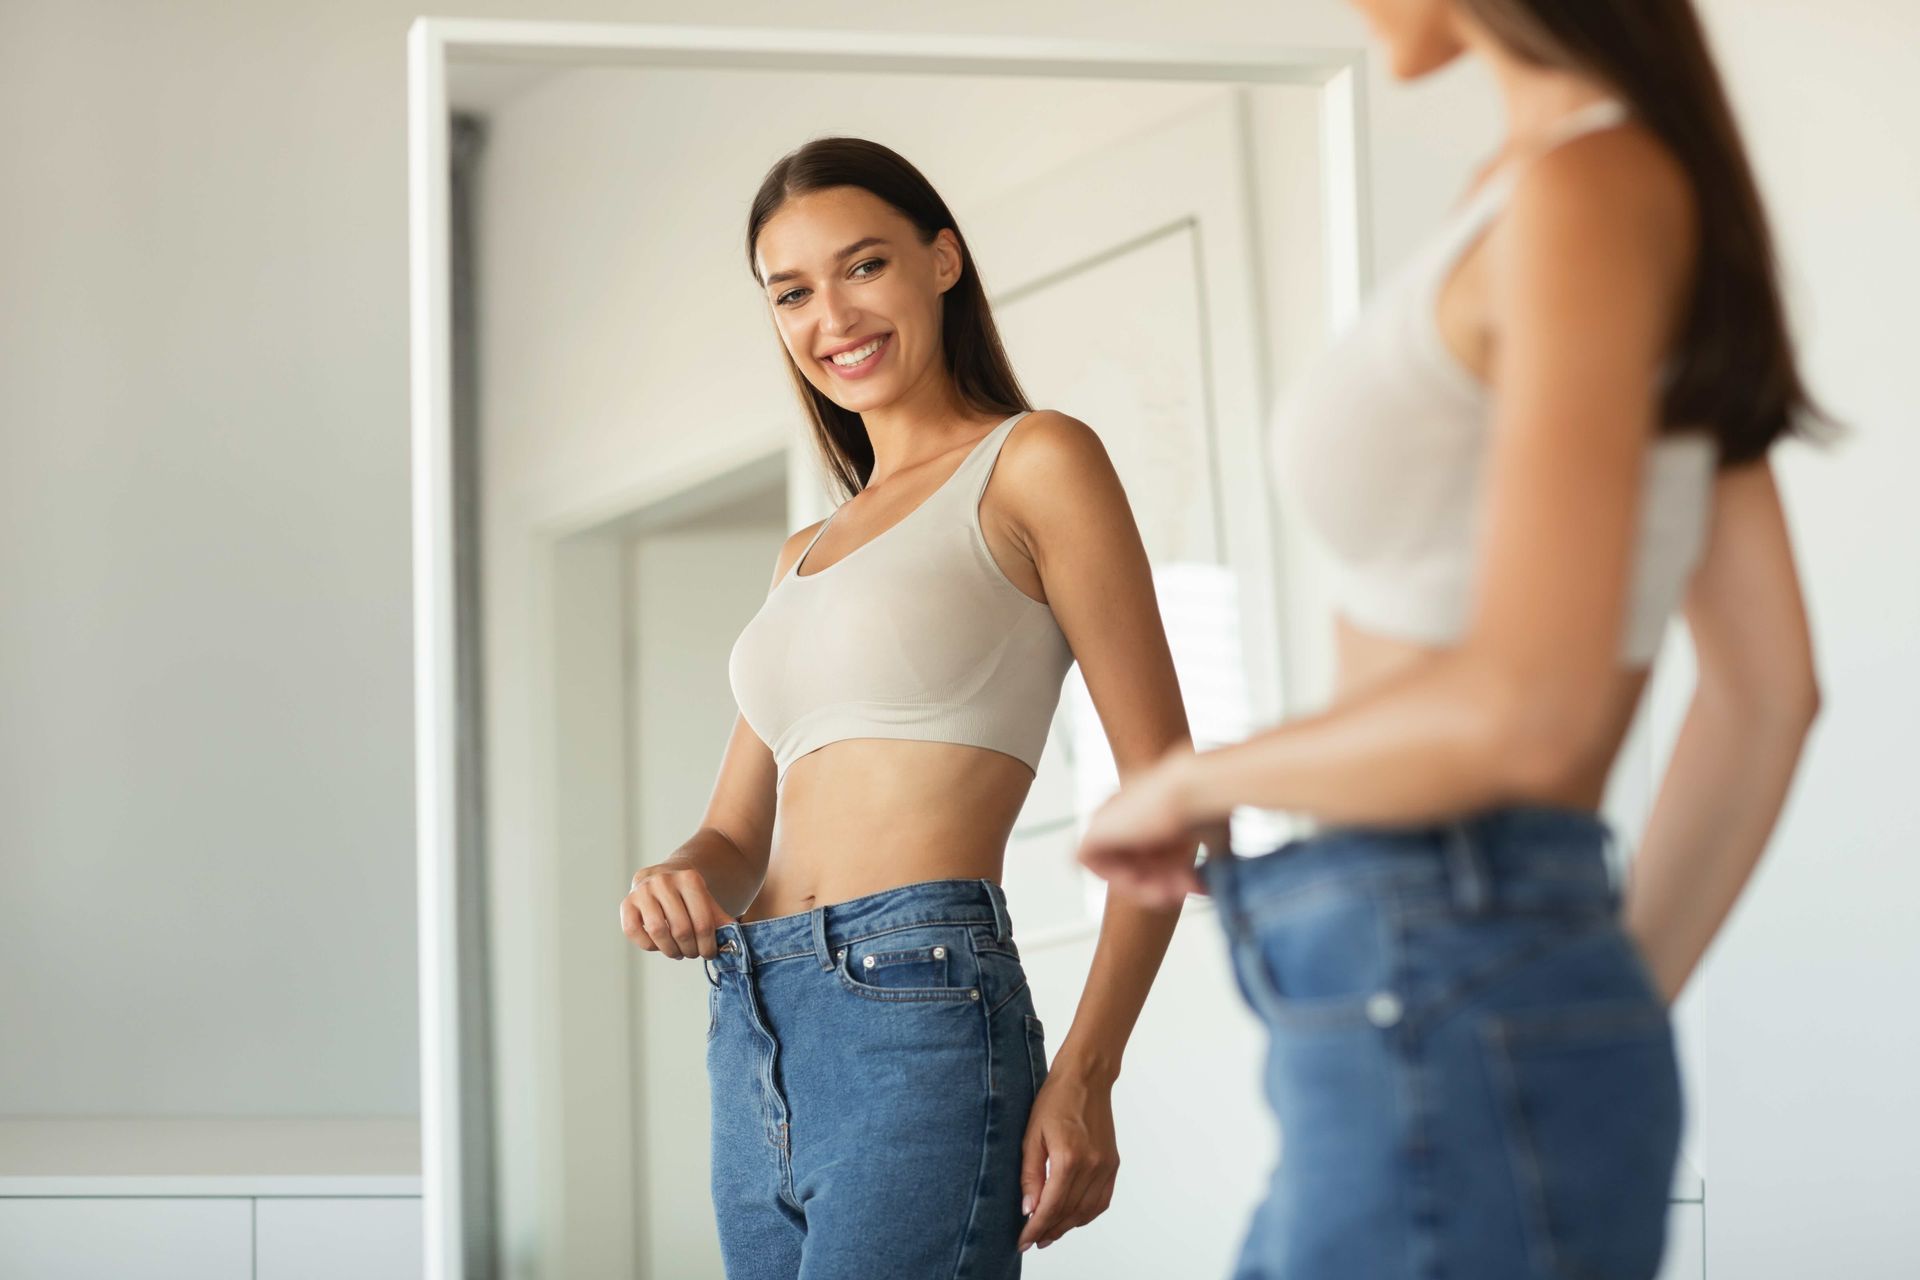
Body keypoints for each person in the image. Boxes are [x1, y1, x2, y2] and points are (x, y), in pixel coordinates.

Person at [1075, 3, 1823, 1277]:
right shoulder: (1580, 189)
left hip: (1437, 956)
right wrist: (1579, 999)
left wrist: (1196, 777)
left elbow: (1527, 707)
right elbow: (1767, 693)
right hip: (1440, 984)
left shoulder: (1590, 189)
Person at [619, 137, 1194, 1277]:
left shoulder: (1035, 462)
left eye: (863, 265)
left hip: (918, 996)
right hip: (755, 1015)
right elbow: (737, 836)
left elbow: (1171, 790)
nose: (831, 313)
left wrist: (1088, 1068)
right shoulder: (804, 551)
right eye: (792, 291)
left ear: (942, 261)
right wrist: (675, 872)